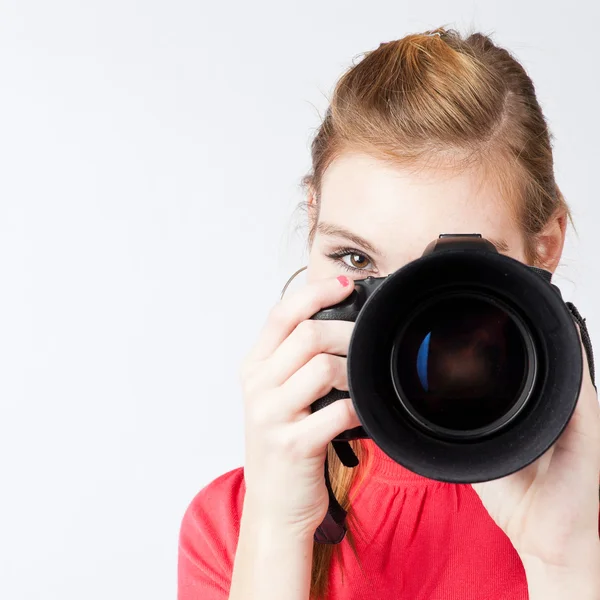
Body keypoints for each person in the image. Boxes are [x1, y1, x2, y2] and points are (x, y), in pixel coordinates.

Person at [177, 27, 600, 599]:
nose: (401, 322)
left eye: (450, 274)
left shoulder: (585, 533)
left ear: (543, 250)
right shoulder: (234, 527)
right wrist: (276, 531)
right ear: (312, 225)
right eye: (355, 258)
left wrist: (566, 562)